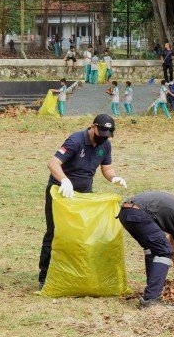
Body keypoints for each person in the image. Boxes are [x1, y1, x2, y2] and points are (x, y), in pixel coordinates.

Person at [39, 114, 127, 287]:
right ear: (93, 127)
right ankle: (45, 276)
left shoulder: (105, 145)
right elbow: (53, 163)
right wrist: (64, 180)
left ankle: (75, 272)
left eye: (107, 135)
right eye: (101, 133)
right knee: (55, 232)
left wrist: (114, 177)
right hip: (61, 193)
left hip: (84, 194)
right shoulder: (76, 140)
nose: (104, 137)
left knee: (82, 233)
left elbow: (107, 168)